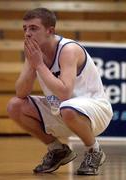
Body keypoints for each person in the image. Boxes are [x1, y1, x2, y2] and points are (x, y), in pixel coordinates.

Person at [7, 8, 113, 175]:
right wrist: (32, 64)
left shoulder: (68, 50)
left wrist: (40, 66)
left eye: (33, 28)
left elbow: (64, 93)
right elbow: (21, 92)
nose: (27, 33)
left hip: (96, 111)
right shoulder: (34, 53)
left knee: (68, 108)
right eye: (25, 28)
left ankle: (94, 150)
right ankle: (58, 150)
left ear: (50, 30)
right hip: (62, 109)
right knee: (14, 106)